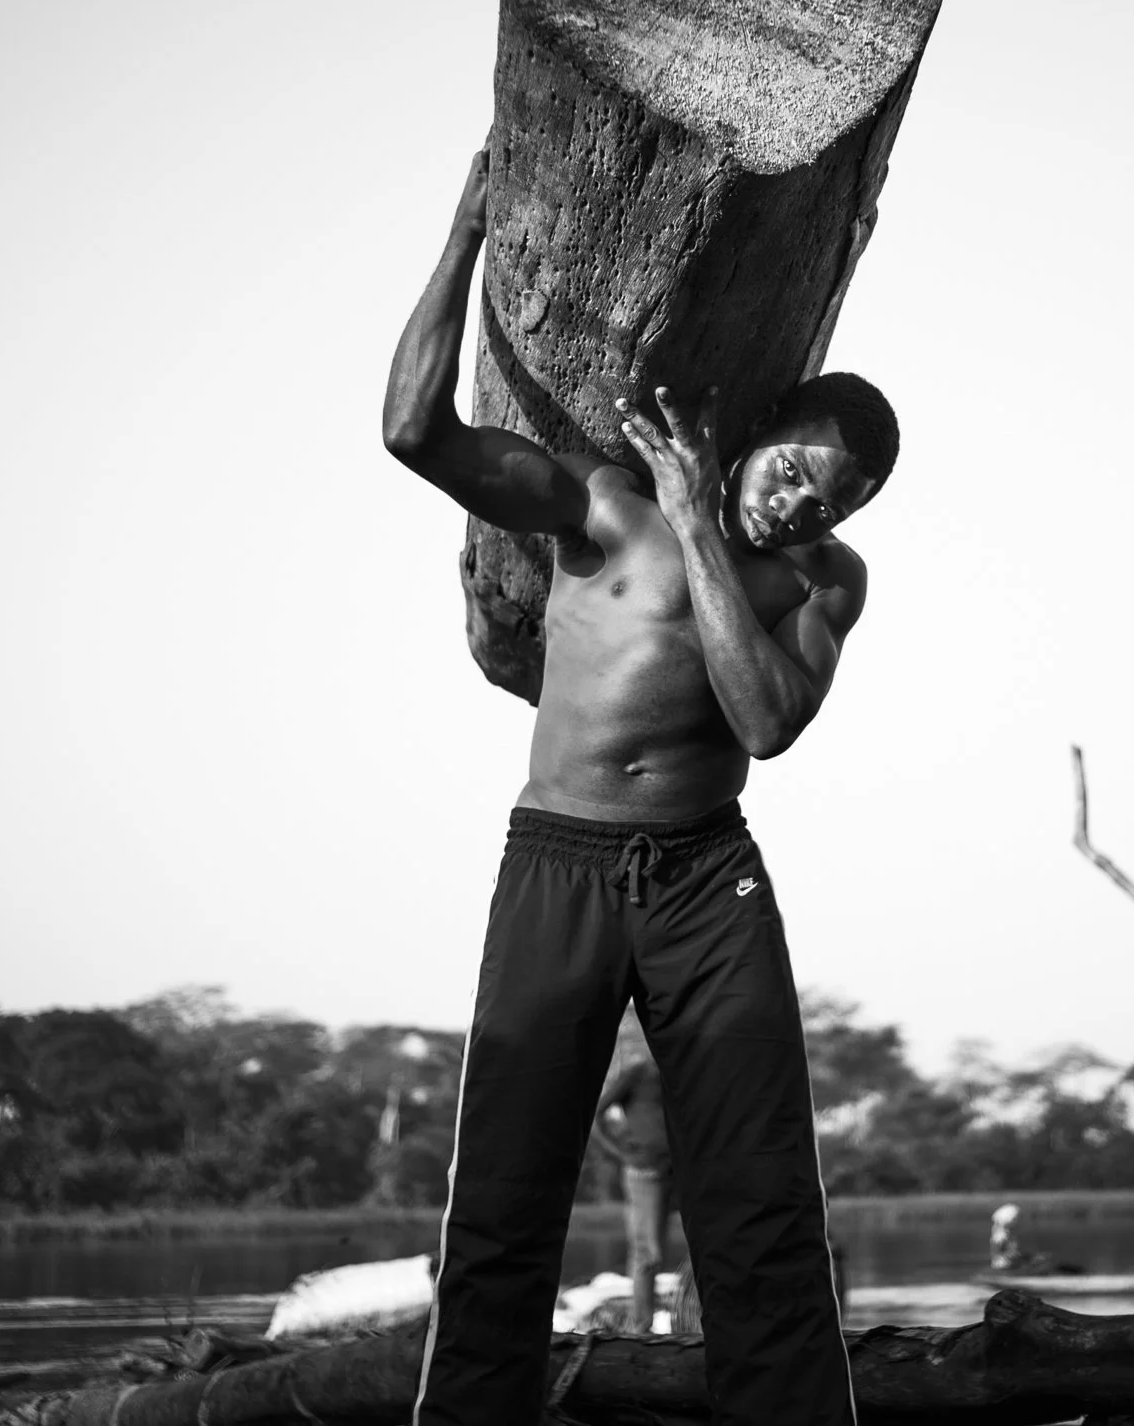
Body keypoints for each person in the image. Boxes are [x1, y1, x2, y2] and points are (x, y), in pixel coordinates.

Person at [384, 152, 898, 1426]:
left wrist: (706, 515)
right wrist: (461, 236)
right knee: (503, 1187)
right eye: (793, 468)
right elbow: (415, 432)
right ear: (768, 426)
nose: (798, 503)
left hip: (705, 876)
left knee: (764, 1192)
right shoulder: (607, 508)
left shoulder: (822, 584)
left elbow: (765, 719)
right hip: (560, 855)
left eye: (830, 497)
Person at [590, 1054, 676, 1335]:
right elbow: (597, 1115)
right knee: (648, 1252)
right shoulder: (637, 1072)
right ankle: (641, 1328)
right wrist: (624, 1155)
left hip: (678, 1170)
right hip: (644, 1172)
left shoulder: (680, 1067)